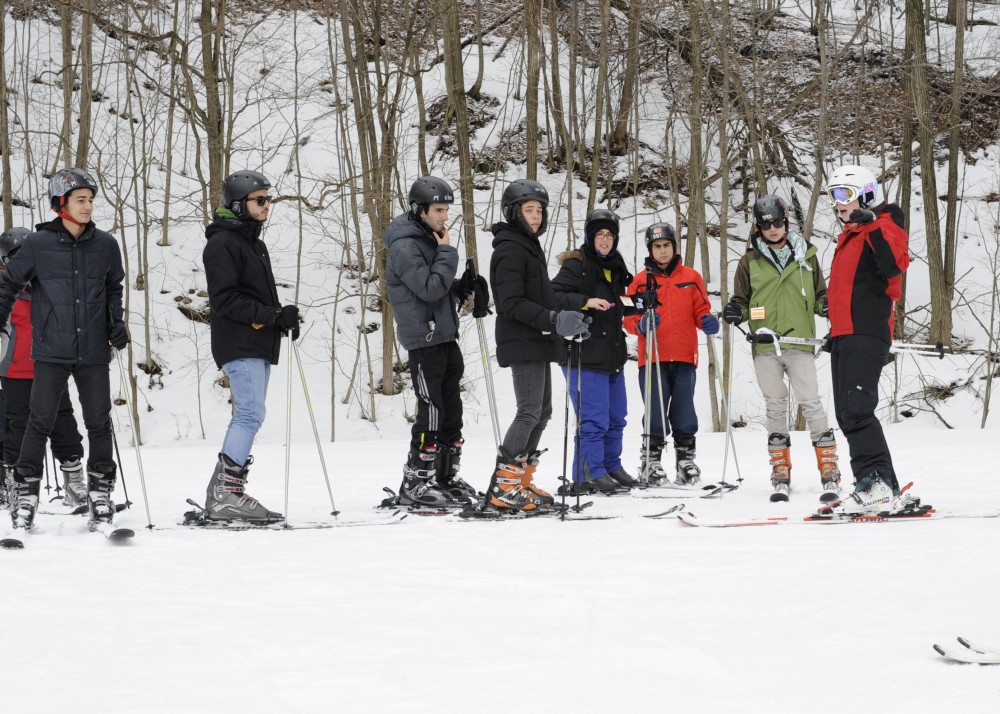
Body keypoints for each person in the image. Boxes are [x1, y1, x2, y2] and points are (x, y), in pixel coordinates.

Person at [0, 168, 127, 530]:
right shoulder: (38, 245)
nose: (88, 206)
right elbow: (8, 285)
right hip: (51, 350)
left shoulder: (105, 244)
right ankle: (25, 498)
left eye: (90, 200)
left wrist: (115, 323)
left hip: (92, 351)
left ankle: (100, 495)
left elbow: (113, 287)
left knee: (99, 423)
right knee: (37, 424)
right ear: (61, 204)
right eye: (80, 200)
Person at [723, 196, 840, 500]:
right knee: (775, 405)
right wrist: (735, 310)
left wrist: (827, 306)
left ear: (786, 222)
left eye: (777, 222)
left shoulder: (806, 256)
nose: (772, 229)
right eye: (766, 224)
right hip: (765, 344)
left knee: (811, 402)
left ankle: (829, 467)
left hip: (799, 341)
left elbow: (819, 295)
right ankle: (780, 469)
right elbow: (742, 299)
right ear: (758, 227)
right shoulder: (750, 260)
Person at [383, 175, 487, 508]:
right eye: (439, 209)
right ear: (420, 209)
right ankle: (416, 482)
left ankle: (445, 476)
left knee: (451, 408)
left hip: (443, 334)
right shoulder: (404, 245)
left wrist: (464, 286)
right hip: (423, 340)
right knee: (432, 410)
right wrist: (448, 252)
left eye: (447, 209)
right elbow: (426, 288)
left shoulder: (427, 238)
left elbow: (439, 287)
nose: (445, 216)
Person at [202, 169, 299, 522]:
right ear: (239, 204)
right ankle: (226, 493)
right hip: (238, 341)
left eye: (268, 199)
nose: (266, 205)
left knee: (251, 415)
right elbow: (225, 300)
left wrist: (281, 317)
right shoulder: (221, 244)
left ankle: (227, 491)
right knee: (248, 414)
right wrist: (273, 316)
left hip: (256, 341)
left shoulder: (253, 244)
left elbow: (254, 296)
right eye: (260, 200)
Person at [488, 179, 590, 513]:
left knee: (541, 412)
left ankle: (520, 482)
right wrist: (552, 320)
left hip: (537, 339)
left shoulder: (528, 246)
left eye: (539, 210)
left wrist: (566, 321)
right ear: (513, 212)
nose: (535, 216)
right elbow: (511, 303)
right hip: (522, 340)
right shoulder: (510, 249)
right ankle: (503, 488)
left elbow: (538, 298)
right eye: (528, 210)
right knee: (529, 410)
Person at [824, 165, 912, 513]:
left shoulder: (885, 225)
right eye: (833, 196)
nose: (838, 203)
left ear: (866, 193)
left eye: (844, 194)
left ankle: (874, 482)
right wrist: (837, 330)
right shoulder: (852, 234)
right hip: (846, 334)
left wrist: (872, 223)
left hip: (867, 331)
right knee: (848, 415)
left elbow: (893, 266)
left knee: (858, 411)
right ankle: (880, 485)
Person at [551, 208, 639, 495]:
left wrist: (641, 303)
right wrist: (586, 301)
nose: (604, 239)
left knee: (617, 417)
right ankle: (588, 472)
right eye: (599, 234)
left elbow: (618, 304)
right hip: (584, 352)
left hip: (612, 353)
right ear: (590, 237)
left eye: (609, 234)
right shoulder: (577, 265)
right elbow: (552, 295)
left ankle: (610, 465)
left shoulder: (615, 267)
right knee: (594, 418)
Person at [624, 223, 718, 485]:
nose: (663, 251)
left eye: (667, 246)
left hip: (685, 354)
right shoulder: (640, 281)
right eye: (657, 247)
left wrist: (706, 319)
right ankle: (650, 463)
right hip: (652, 357)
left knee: (684, 409)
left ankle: (685, 461)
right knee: (654, 409)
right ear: (650, 250)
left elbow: (702, 308)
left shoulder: (691, 276)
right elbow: (629, 318)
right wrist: (640, 325)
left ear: (674, 247)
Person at [0, 227, 87, 509]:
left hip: (50, 366)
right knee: (20, 428)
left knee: (63, 423)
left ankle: (74, 481)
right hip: (14, 372)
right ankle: (16, 484)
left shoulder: (51, 287)